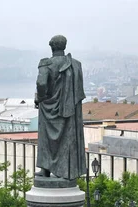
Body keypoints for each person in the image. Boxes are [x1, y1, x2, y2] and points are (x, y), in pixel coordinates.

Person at [35, 35, 86, 181]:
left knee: (45, 138)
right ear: (64, 46)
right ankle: (66, 171)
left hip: (47, 106)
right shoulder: (75, 65)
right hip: (68, 108)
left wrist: (41, 98)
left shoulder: (46, 64)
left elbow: (41, 84)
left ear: (51, 47)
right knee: (67, 138)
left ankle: (45, 169)